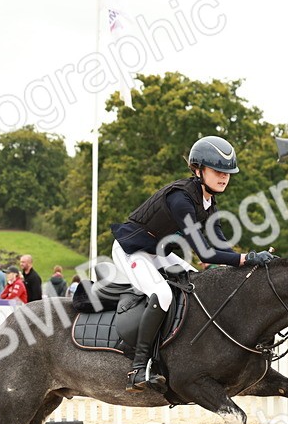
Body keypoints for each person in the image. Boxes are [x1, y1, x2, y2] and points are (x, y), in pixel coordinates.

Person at [110, 135, 272, 392]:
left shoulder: (207, 201)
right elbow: (206, 254)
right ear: (199, 170)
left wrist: (242, 266)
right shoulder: (181, 200)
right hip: (133, 250)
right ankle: (138, 368)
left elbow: (219, 243)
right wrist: (245, 258)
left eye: (228, 173)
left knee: (197, 284)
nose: (224, 177)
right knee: (162, 294)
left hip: (158, 252)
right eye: (218, 171)